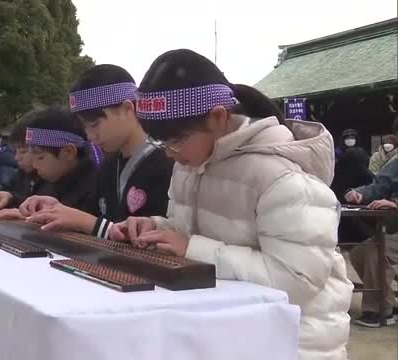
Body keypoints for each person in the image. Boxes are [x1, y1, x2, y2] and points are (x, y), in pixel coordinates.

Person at [107, 49, 352, 359]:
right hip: (231, 334)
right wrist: (156, 228)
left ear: (219, 116)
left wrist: (190, 249)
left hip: (293, 343)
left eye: (176, 140)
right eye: (159, 142)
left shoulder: (281, 177)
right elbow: (190, 229)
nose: (169, 153)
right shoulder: (191, 164)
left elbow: (297, 279)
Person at [18, 65, 174, 238]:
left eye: (95, 125)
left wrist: (89, 224)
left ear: (127, 109)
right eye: (85, 128)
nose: (91, 136)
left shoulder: (166, 163)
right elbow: (94, 216)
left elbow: (153, 240)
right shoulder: (109, 166)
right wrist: (52, 210)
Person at [0, 107, 97, 221]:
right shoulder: (51, 181)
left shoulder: (96, 188)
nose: (34, 165)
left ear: (68, 152)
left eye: (40, 157)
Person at [345, 160, 398, 327]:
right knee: (360, 252)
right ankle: (388, 303)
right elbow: (379, 185)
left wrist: (395, 204)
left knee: (375, 251)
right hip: (392, 230)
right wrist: (360, 193)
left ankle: (376, 310)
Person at [0, 112, 47, 213]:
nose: (17, 157)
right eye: (16, 151)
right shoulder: (23, 173)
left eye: (24, 151)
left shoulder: (52, 179)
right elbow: (8, 189)